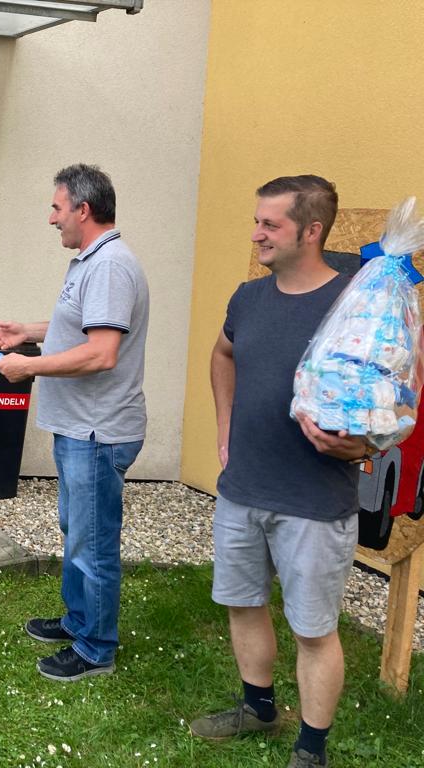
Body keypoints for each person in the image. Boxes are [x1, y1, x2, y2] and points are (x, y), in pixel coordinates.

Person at [189, 176, 367, 768]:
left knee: (313, 630)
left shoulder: (354, 304)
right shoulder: (248, 298)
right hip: (242, 490)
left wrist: (364, 444)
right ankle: (258, 708)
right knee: (242, 603)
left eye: (271, 224)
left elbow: (394, 392)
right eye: (256, 221)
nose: (256, 234)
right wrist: (224, 426)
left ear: (311, 231)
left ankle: (311, 750)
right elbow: (223, 353)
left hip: (313, 500)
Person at [0, 163, 148, 681]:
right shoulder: (90, 262)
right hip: (80, 427)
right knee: (77, 532)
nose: (51, 218)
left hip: (98, 431)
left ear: (83, 209)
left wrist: (29, 367)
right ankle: (80, 620)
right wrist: (26, 331)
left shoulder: (110, 266)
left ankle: (96, 648)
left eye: (57, 208)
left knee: (92, 542)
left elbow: (101, 352)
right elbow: (79, 326)